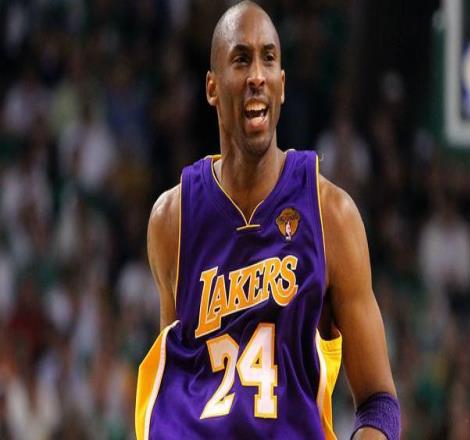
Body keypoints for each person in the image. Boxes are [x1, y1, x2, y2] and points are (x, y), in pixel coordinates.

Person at [136, 2, 399, 439]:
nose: (257, 75)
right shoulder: (171, 220)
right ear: (212, 87)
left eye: (269, 59)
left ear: (282, 85)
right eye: (241, 60)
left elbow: (379, 403)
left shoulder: (331, 214)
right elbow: (175, 387)